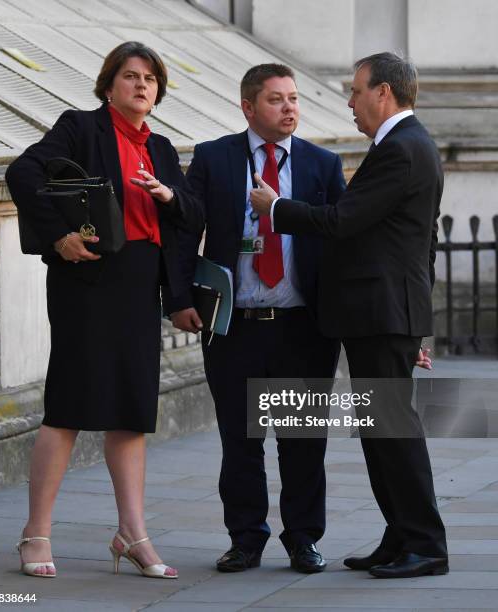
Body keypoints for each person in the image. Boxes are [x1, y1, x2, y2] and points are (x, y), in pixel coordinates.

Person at [5, 41, 203, 579]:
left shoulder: (162, 147)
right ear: (110, 85)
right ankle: (35, 532)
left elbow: (191, 214)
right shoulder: (80, 127)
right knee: (68, 405)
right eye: (132, 76)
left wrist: (168, 196)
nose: (142, 86)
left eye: (151, 79)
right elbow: (22, 174)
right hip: (87, 280)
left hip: (141, 286)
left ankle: (133, 534)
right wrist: (60, 236)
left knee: (132, 411)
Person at [250, 52, 448, 579]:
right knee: (380, 431)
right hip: (383, 314)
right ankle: (401, 535)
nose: (350, 102)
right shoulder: (405, 146)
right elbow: (420, 243)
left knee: (393, 433)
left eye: (357, 91)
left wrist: (276, 208)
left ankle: (425, 544)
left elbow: (342, 221)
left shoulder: (403, 150)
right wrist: (417, 319)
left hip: (381, 314)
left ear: (383, 93)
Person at [164, 64, 345, 573]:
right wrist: (178, 299)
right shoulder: (215, 158)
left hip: (303, 327)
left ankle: (303, 538)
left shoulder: (322, 164)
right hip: (234, 324)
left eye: (293, 99)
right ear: (248, 107)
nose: (289, 108)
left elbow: (342, 239)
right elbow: (184, 231)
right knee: (240, 442)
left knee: (302, 442)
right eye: (275, 99)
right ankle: (245, 538)